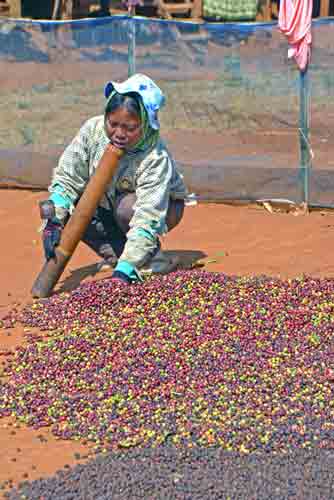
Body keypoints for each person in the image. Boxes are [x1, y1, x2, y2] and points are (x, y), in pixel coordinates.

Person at [40, 73, 188, 285]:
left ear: (146, 123)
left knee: (126, 208)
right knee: (76, 206)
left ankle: (150, 259)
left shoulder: (154, 156)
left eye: (130, 128)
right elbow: (67, 178)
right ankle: (119, 254)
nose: (119, 133)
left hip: (160, 208)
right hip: (108, 200)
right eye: (113, 124)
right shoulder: (93, 130)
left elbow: (148, 217)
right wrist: (54, 219)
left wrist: (124, 271)